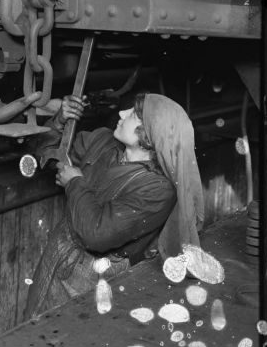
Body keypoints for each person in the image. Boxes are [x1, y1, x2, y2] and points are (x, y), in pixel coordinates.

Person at [23, 92, 205, 320]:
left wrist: (75, 183)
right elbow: (45, 149)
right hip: (59, 249)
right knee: (30, 327)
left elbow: (96, 235)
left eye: (133, 114)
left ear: (150, 133)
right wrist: (60, 121)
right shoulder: (103, 141)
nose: (121, 113)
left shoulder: (157, 190)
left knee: (65, 345)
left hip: (94, 275)